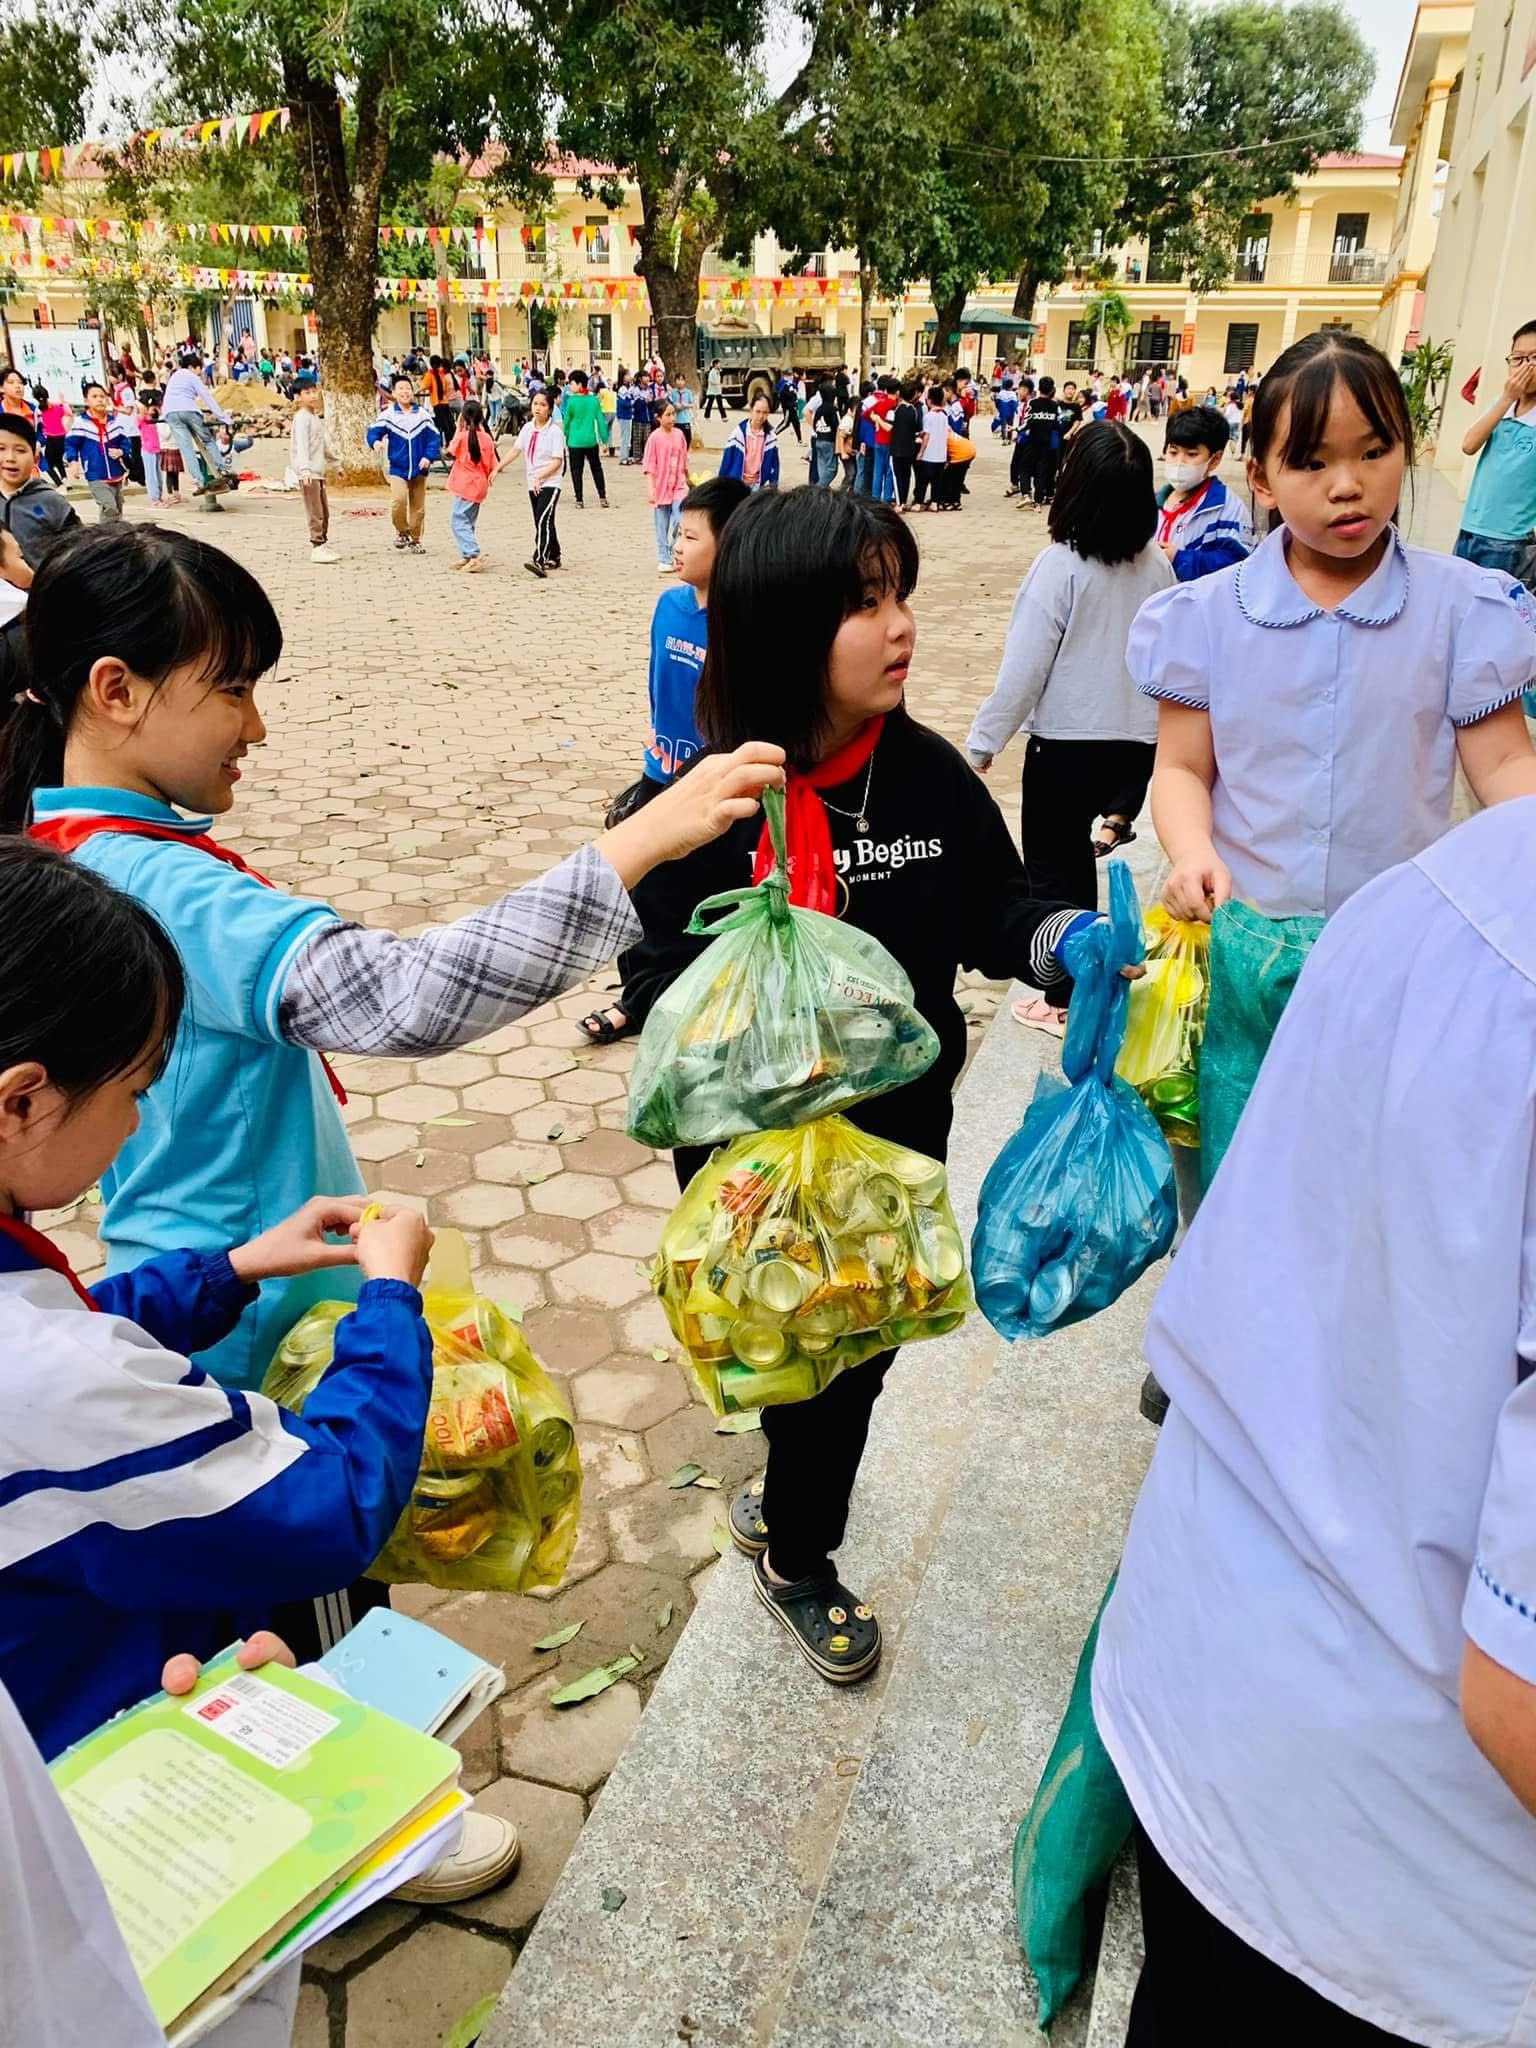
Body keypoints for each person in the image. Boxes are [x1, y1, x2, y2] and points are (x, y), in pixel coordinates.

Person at [617, 488, 1135, 1684]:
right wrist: (737, 986)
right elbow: (650, 971)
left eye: (901, 593)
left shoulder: (926, 777)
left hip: (891, 1153)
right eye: (863, 601)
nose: (900, 624)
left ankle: (793, 1524)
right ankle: (796, 1519)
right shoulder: (706, 803)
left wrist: (1060, 938)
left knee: (856, 1353)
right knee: (785, 1344)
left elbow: (997, 905)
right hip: (747, 1167)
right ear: (783, 625)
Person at [1093, 793, 1536, 2045]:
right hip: (1405, 1879)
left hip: (1208, 1683)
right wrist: (1193, 864)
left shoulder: (1438, 880)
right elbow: (1519, 1698)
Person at [1135, 328, 1536, 1168]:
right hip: (1246, 945)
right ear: (1261, 477)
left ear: (1406, 450)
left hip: (1399, 948)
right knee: (1244, 1159)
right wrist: (1192, 850)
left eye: (1373, 451)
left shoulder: (1460, 607)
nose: (1348, 485)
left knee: (1372, 1165)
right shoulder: (1207, 616)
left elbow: (1504, 764)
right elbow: (1181, 767)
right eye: (1311, 461)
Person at [966, 423, 1175, 1035]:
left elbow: (1025, 669)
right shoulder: (1158, 566)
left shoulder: (1059, 567)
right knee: (1082, 863)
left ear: (1073, 488)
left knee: (1055, 872)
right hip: (1136, 744)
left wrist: (983, 742)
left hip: (1065, 749)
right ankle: (1097, 965)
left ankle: (1063, 997)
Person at [578, 475, 753, 1046]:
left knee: (694, 901)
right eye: (678, 533)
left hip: (711, 787)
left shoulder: (743, 624)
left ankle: (666, 1002)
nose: (677, 546)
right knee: (644, 892)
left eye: (692, 537)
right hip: (662, 775)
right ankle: (640, 994)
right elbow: (660, 691)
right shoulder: (669, 606)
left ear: (730, 546)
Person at [1453, 315, 1536, 590]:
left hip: (1510, 540)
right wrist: (1507, 398)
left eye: (1534, 358)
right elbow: (1469, 445)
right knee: (1459, 597)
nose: (1526, 367)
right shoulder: (1502, 407)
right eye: (1518, 359)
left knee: (1493, 606)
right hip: (1471, 528)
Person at [1156, 405, 1254, 580]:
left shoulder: (1228, 509)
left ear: (1215, 459)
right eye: (1173, 452)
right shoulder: (1153, 503)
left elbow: (1238, 565)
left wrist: (1180, 559)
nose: (1179, 462)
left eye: (1192, 454)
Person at [365, 373, 441, 553]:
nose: (405, 392)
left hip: (420, 468)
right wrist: (375, 442)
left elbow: (434, 438)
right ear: (393, 393)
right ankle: (402, 531)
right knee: (398, 502)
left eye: (408, 388)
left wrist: (428, 457)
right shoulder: (389, 415)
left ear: (412, 392)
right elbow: (373, 432)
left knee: (418, 508)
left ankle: (416, 539)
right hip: (398, 468)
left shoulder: (422, 415)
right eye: (401, 389)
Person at [499, 384, 566, 577]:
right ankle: (555, 554)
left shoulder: (554, 432)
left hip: (550, 482)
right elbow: (515, 450)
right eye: (535, 404)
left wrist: (541, 477)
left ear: (550, 409)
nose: (538, 408)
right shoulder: (528, 429)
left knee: (543, 519)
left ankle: (539, 559)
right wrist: (497, 467)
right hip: (532, 482)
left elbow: (557, 461)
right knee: (542, 520)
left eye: (543, 405)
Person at [159, 352, 237, 501]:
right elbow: (206, 396)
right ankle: (221, 469)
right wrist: (223, 417)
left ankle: (198, 481)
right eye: (198, 370)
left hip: (170, 413)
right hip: (189, 410)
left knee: (186, 448)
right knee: (207, 440)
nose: (199, 374)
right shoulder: (191, 376)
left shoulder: (173, 377)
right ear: (191, 367)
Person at [63, 384, 131, 523]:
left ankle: (113, 533)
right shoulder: (81, 423)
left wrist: (121, 451)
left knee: (117, 508)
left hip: (116, 473)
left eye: (102, 396)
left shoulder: (114, 422)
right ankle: (109, 534)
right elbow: (71, 444)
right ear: (86, 401)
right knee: (109, 507)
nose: (99, 399)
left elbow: (125, 442)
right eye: (94, 396)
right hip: (96, 474)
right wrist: (73, 462)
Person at [445, 398, 498, 571]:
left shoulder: (461, 437)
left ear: (463, 417)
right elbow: (493, 464)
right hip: (479, 485)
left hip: (465, 485)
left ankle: (473, 553)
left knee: (458, 520)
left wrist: (458, 429)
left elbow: (450, 452)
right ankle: (466, 554)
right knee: (468, 520)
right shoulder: (487, 439)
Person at [289, 385, 339, 567]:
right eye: (307, 393)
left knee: (324, 511)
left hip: (318, 472)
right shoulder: (302, 418)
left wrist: (336, 463)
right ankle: (317, 546)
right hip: (308, 473)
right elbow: (301, 446)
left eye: (313, 391)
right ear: (298, 397)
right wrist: (305, 470)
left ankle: (323, 544)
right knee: (315, 511)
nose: (312, 396)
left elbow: (323, 444)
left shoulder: (314, 417)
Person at [642, 397, 693, 571]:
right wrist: (651, 490)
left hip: (679, 486)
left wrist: (689, 479)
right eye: (668, 415)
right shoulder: (654, 439)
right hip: (661, 488)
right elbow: (649, 467)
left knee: (680, 520)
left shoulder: (679, 435)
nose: (672, 418)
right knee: (662, 526)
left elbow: (684, 460)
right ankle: (664, 558)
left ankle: (672, 550)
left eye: (673, 414)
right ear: (658, 417)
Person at [560, 369, 609, 509]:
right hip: (590, 440)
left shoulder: (571, 401)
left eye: (572, 383)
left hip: (574, 442)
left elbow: (566, 422)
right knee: (596, 469)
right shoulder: (594, 400)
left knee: (576, 471)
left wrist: (566, 435)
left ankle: (579, 500)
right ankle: (602, 497)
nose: (570, 386)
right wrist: (605, 440)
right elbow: (601, 421)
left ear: (579, 384)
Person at [718, 392, 781, 495]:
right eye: (758, 411)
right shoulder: (738, 434)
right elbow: (727, 461)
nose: (761, 416)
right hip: (738, 486)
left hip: (758, 487)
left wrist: (773, 485)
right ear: (751, 410)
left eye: (765, 412)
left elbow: (775, 464)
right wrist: (720, 486)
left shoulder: (771, 437)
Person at [913, 384, 949, 510]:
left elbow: (927, 436)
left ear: (930, 400)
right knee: (936, 482)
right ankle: (935, 503)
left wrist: (921, 452)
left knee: (922, 481)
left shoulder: (928, 416)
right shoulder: (944, 416)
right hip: (941, 455)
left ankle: (918, 502)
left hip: (929, 455)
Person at [888, 379, 920, 510]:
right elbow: (917, 429)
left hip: (896, 448)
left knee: (897, 476)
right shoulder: (914, 411)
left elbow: (889, 427)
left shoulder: (895, 410)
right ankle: (903, 501)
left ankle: (898, 502)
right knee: (906, 476)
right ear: (913, 395)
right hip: (909, 448)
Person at [807, 377, 841, 488]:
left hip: (818, 440)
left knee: (822, 468)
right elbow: (836, 426)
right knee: (832, 469)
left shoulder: (819, 409)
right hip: (829, 442)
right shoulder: (832, 410)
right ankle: (819, 487)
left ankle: (823, 490)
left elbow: (815, 423)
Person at [423, 354, 455, 449]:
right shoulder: (442, 374)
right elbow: (445, 387)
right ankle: (451, 442)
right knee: (449, 424)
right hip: (444, 402)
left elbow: (424, 386)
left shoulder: (430, 374)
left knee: (442, 426)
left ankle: (445, 444)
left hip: (436, 403)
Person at [37, 388, 68, 483]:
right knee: (59, 460)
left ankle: (59, 483)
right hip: (62, 437)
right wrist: (63, 401)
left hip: (50, 439)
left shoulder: (39, 411)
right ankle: (65, 480)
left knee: (47, 464)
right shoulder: (57, 407)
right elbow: (67, 412)